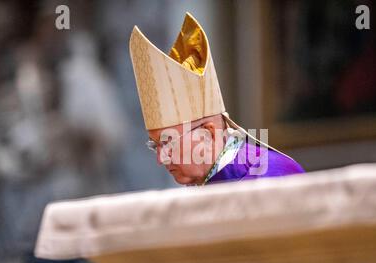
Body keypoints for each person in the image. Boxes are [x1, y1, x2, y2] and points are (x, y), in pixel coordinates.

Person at [130, 13, 304, 186]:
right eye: (155, 146)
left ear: (209, 133)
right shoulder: (200, 188)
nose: (161, 158)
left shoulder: (272, 177)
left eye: (168, 141)